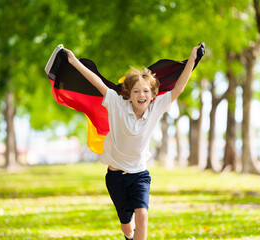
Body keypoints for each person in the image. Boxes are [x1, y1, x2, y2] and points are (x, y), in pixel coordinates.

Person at [64, 43, 203, 240]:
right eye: (136, 91)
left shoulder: (156, 107)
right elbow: (96, 81)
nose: (141, 95)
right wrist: (73, 61)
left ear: (153, 94)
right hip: (115, 177)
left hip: (139, 175)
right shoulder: (115, 103)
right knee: (126, 225)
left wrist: (192, 58)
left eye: (146, 91)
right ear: (128, 95)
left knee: (143, 215)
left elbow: (179, 87)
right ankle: (129, 236)